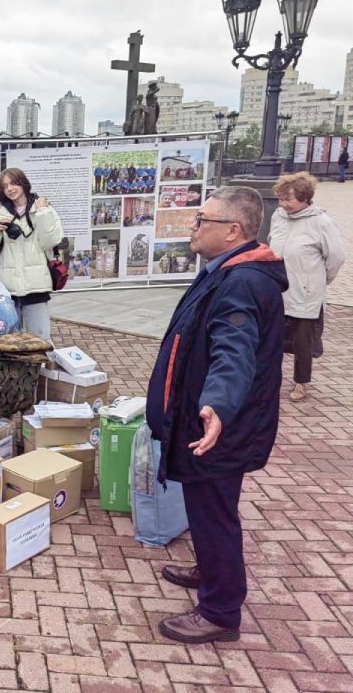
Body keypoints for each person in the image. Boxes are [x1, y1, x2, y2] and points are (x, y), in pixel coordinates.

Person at [146, 186, 288, 644]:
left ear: (233, 231)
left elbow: (234, 350)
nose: (193, 226)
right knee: (208, 510)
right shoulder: (227, 270)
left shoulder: (242, 281)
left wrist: (217, 406)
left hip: (220, 426)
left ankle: (220, 612)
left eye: (202, 220)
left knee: (214, 515)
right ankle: (209, 570)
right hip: (215, 420)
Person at [268, 172, 346, 402]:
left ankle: (300, 383)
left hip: (306, 292)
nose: (282, 203)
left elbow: (336, 258)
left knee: (303, 342)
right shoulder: (278, 216)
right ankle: (269, 379)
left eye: (288, 199)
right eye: (280, 198)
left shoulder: (321, 222)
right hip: (278, 290)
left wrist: (320, 281)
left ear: (304, 198)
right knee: (272, 338)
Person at [0, 168, 63, 342]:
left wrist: (43, 213)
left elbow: (51, 241)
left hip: (36, 285)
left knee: (41, 339)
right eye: (5, 186)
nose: (10, 189)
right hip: (7, 288)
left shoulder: (44, 209)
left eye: (13, 183)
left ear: (23, 183)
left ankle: (42, 362)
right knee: (10, 341)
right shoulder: (0, 214)